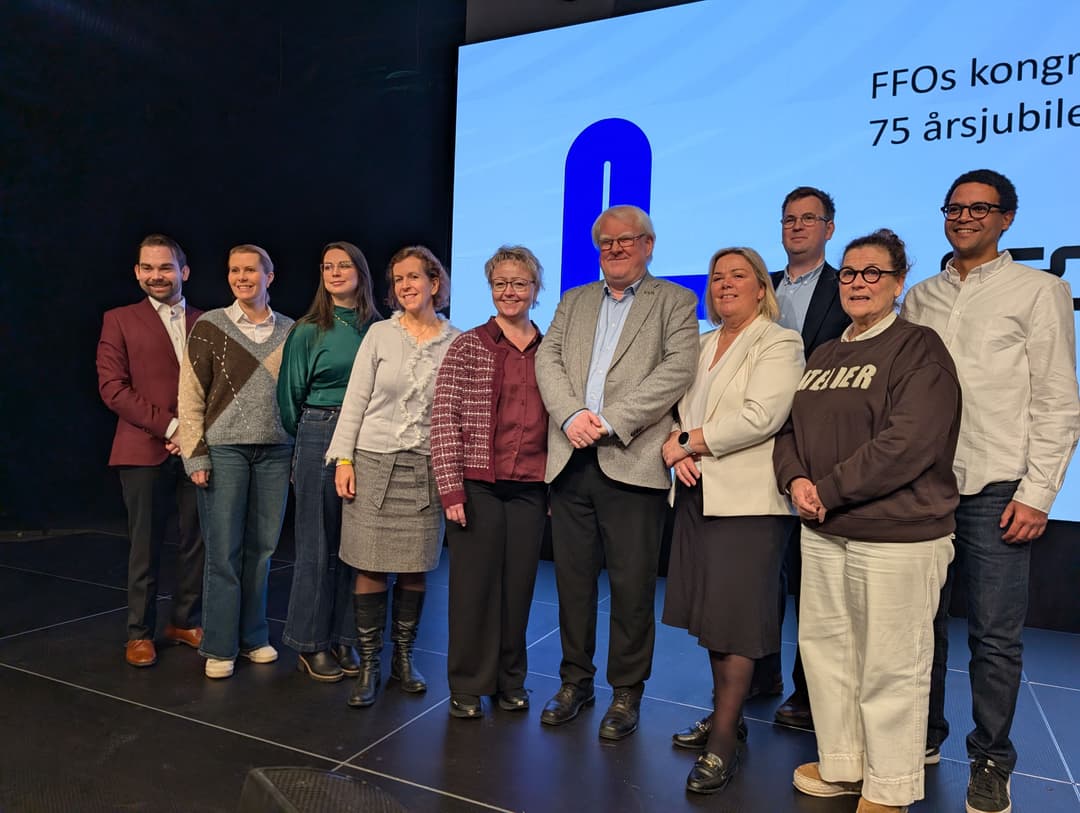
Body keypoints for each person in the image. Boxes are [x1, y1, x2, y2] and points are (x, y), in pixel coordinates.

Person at [902, 169, 1080, 813]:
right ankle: (919, 740)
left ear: (1007, 218)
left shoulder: (1040, 291)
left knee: (995, 636)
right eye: (955, 206)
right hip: (920, 487)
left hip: (996, 485)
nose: (965, 216)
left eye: (981, 208)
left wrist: (1039, 493)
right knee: (919, 629)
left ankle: (990, 760)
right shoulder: (918, 296)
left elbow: (1059, 401)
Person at [774, 229, 961, 813]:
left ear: (899, 282)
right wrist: (795, 481)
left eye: (873, 273)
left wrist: (825, 489)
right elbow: (788, 430)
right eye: (850, 274)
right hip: (826, 533)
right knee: (830, 659)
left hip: (897, 536)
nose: (858, 283)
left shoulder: (919, 347)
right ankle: (845, 765)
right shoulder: (826, 352)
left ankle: (891, 788)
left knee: (891, 667)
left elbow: (910, 443)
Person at [535, 204, 698, 740]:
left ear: (649, 245)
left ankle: (626, 692)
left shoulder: (676, 300)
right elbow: (548, 362)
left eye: (628, 241)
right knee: (573, 583)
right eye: (606, 242)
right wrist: (572, 415)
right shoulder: (573, 299)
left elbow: (677, 370)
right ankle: (574, 683)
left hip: (633, 459)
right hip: (571, 458)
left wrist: (608, 421)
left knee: (631, 590)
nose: (616, 249)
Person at [661, 247, 803, 793]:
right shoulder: (698, 345)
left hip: (749, 502)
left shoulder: (780, 342)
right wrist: (681, 449)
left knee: (738, 621)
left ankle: (723, 741)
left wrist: (686, 444)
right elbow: (674, 411)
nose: (724, 284)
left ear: (761, 286)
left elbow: (762, 416)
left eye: (737, 275)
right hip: (698, 496)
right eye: (717, 277)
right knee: (713, 618)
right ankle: (727, 717)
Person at [326, 245, 460, 709]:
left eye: (413, 277)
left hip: (425, 467)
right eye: (398, 279)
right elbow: (356, 399)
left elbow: (454, 414)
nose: (405, 286)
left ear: (434, 282)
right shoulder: (380, 334)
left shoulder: (455, 341)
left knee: (415, 565)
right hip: (373, 460)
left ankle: (404, 658)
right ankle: (369, 663)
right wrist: (343, 459)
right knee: (368, 564)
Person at [431, 246, 548, 719]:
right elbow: (444, 419)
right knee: (473, 589)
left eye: (519, 283)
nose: (510, 291)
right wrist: (451, 489)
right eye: (501, 283)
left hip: (530, 487)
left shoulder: (551, 347)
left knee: (517, 588)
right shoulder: (469, 345)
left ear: (535, 290)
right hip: (477, 484)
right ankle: (466, 683)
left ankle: (509, 681)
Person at [176, 244, 295, 680]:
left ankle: (254, 637)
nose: (242, 277)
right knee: (223, 550)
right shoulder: (209, 326)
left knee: (262, 550)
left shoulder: (291, 330)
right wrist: (196, 454)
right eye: (234, 270)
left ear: (270, 276)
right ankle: (220, 645)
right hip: (224, 450)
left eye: (250, 270)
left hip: (276, 450)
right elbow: (190, 397)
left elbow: (297, 397)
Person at [758, 186, 850, 728]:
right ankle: (762, 670)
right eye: (789, 219)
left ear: (829, 228)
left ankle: (806, 693)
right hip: (754, 446)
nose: (796, 227)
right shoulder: (760, 285)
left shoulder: (850, 288)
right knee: (762, 574)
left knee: (812, 582)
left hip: (816, 447)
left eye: (808, 219)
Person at [96, 234, 205, 667]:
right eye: (148, 268)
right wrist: (171, 425)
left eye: (165, 267)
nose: (156, 275)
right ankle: (139, 632)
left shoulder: (209, 321)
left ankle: (185, 619)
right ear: (137, 273)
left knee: (196, 541)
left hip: (198, 449)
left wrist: (193, 432)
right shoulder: (118, 319)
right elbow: (112, 389)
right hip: (141, 448)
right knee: (145, 543)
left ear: (184, 271)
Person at [276, 242, 381, 682]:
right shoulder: (307, 329)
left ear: (361, 271)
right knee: (317, 545)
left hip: (369, 437)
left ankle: (344, 639)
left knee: (354, 548)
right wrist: (307, 443)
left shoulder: (379, 327)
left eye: (343, 265)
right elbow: (288, 399)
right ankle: (309, 644)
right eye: (327, 267)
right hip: (320, 429)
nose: (335, 272)